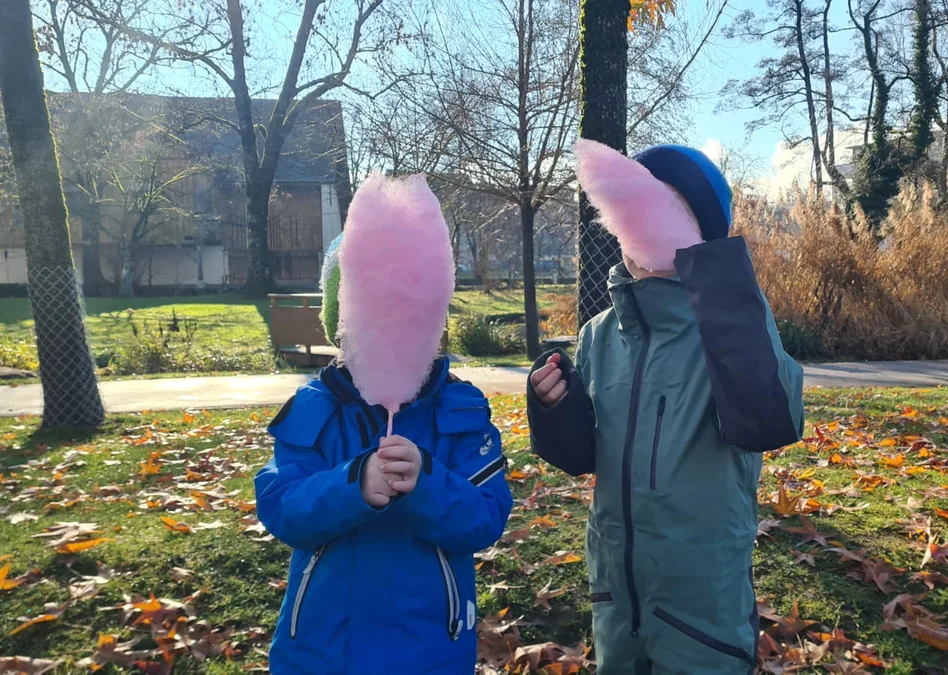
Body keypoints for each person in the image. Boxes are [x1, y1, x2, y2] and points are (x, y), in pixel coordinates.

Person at [528, 143, 805, 675]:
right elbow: (585, 453)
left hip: (703, 597)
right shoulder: (600, 333)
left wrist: (721, 290)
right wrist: (554, 407)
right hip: (618, 583)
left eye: (668, 206)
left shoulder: (732, 325)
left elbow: (771, 418)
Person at [256, 228, 513, 673]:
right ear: (342, 325)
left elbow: (486, 518)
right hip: (322, 649)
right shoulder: (312, 411)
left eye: (410, 316)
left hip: (431, 648)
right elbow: (280, 507)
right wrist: (351, 485)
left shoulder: (461, 413)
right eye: (371, 316)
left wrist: (426, 484)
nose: (392, 331)